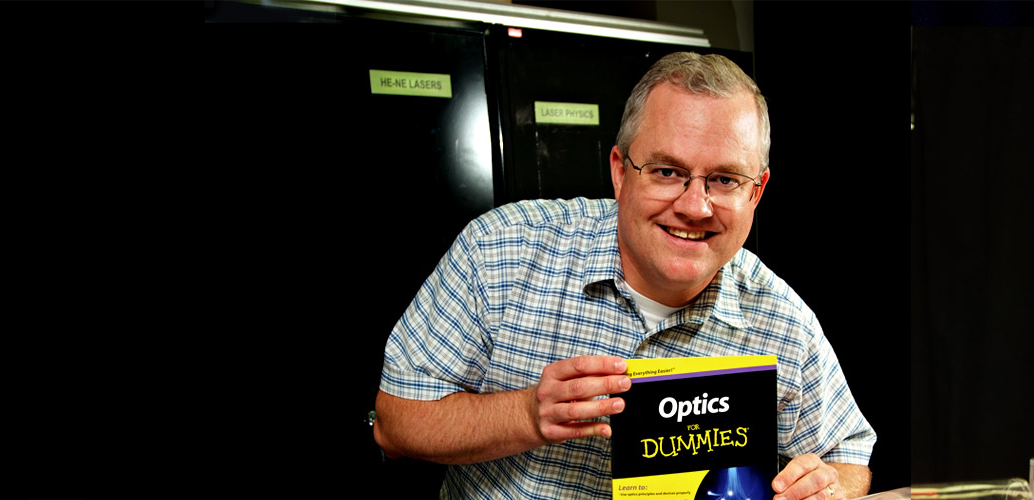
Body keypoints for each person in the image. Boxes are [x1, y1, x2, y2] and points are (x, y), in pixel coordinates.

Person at [373, 51, 876, 500]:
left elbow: (849, 454)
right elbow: (395, 426)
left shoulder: (782, 320)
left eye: (723, 179)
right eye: (666, 172)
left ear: (756, 192)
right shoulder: (502, 249)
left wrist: (828, 487)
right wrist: (528, 414)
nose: (695, 206)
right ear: (619, 170)